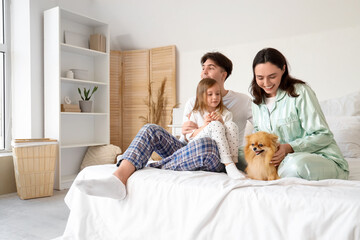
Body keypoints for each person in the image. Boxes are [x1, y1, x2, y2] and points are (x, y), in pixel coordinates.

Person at [75, 51, 251, 200]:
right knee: (150, 129)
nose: (204, 72)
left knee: (207, 144)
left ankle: (153, 166)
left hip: (215, 155)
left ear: (224, 74)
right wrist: (185, 132)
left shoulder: (242, 101)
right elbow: (185, 138)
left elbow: (263, 127)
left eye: (210, 68)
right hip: (187, 149)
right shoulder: (193, 102)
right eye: (202, 68)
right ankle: (118, 179)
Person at [249, 47, 349, 180]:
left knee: (296, 166)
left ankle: (276, 172)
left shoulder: (300, 92)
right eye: (260, 78)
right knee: (239, 155)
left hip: (319, 158)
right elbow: (260, 137)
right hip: (280, 161)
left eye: (272, 76)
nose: (266, 83)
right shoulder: (257, 102)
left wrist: (289, 147)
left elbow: (323, 135)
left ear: (283, 69)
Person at [185, 78, 245, 179]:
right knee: (215, 125)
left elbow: (230, 137)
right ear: (201, 96)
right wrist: (205, 126)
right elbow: (189, 136)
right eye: (210, 94)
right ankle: (229, 165)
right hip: (198, 146)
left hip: (219, 151)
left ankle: (233, 165)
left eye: (218, 94)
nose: (215, 97)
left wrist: (222, 123)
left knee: (231, 125)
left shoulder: (226, 114)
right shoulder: (195, 113)